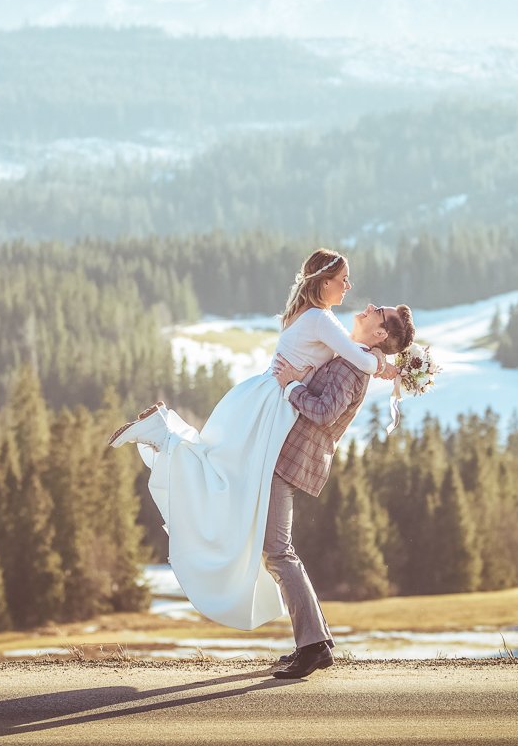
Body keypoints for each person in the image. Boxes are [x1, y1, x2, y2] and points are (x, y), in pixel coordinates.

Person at [107, 249, 400, 647]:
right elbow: (359, 364)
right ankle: (162, 432)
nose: (352, 290)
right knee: (226, 480)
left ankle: (163, 432)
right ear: (324, 281)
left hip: (267, 405)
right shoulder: (322, 321)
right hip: (271, 409)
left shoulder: (315, 319)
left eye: (374, 310)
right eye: (344, 279)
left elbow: (343, 377)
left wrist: (377, 362)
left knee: (225, 478)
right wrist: (385, 365)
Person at [265, 302, 415, 678]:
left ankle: (312, 646)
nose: (366, 308)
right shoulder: (356, 356)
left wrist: (292, 385)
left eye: (376, 311)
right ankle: (316, 641)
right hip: (289, 453)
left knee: (278, 552)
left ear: (380, 334)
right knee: (277, 551)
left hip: (293, 457)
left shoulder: (353, 366)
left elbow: (325, 411)